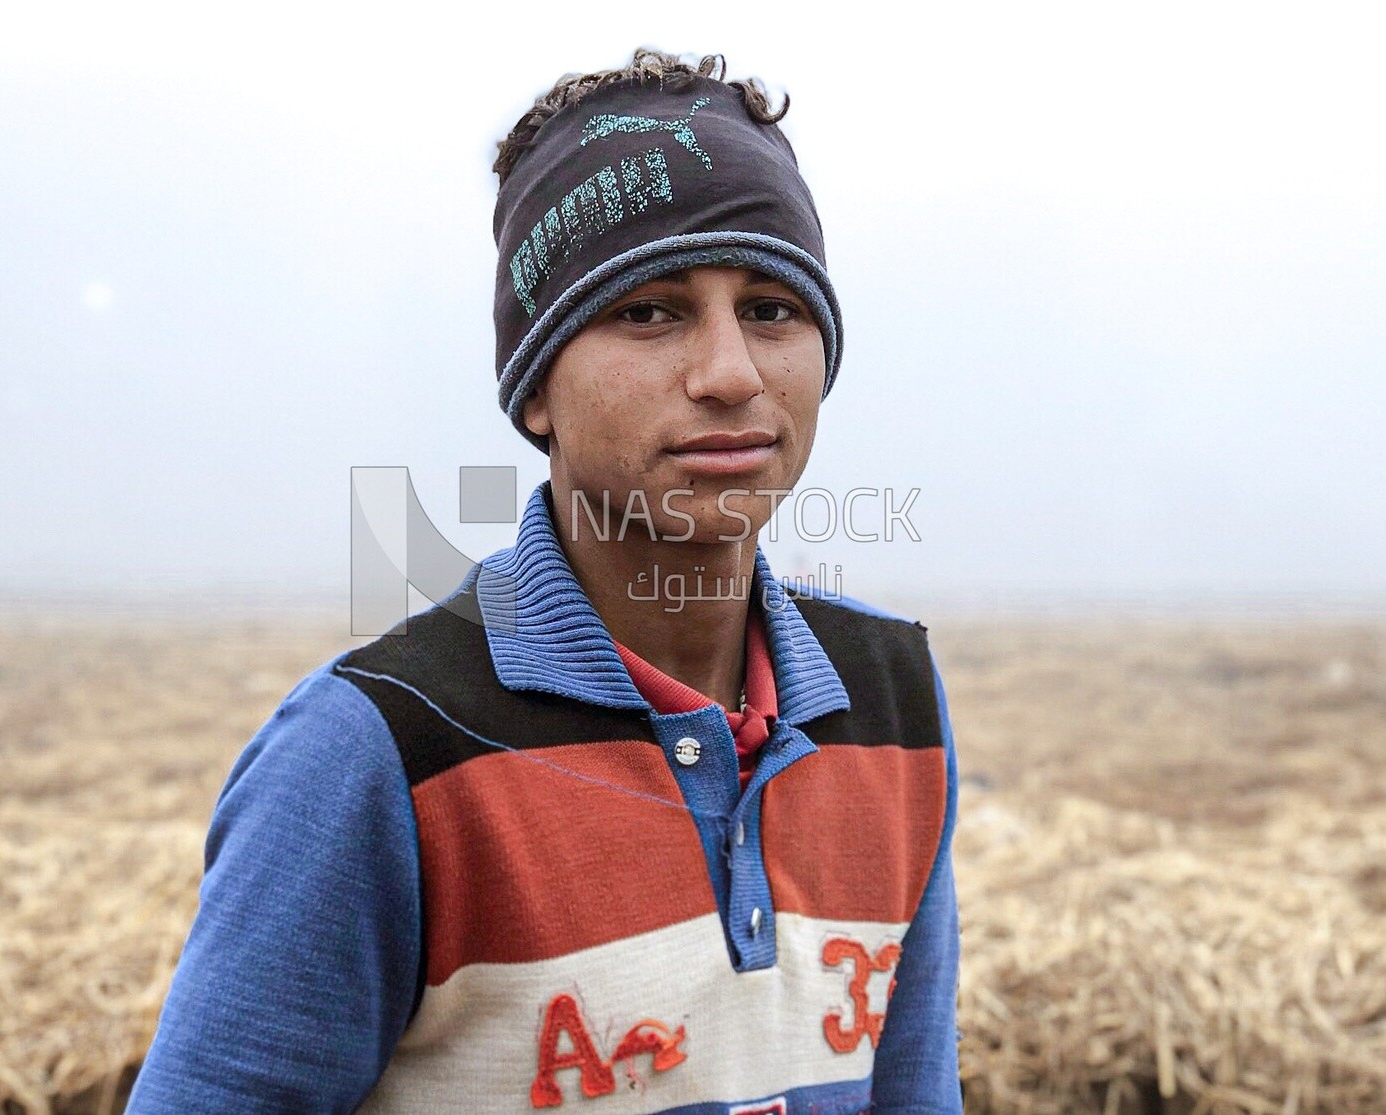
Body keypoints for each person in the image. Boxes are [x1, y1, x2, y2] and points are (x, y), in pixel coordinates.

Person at [128, 48, 962, 1114]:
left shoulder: (890, 699)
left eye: (771, 308)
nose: (732, 373)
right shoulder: (380, 752)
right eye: (650, 311)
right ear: (535, 391)